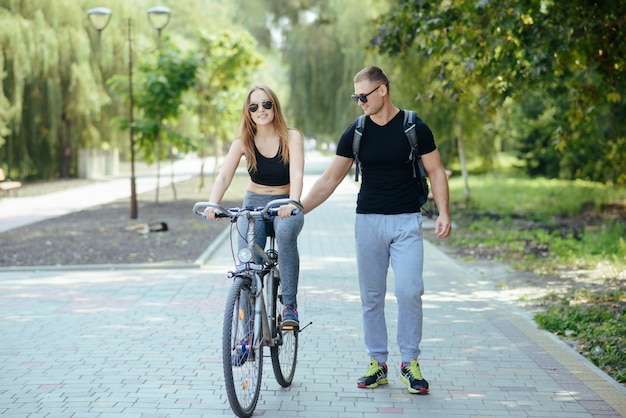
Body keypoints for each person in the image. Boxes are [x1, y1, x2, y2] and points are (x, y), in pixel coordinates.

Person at [301, 66, 452, 394]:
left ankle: (409, 362)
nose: (359, 102)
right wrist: (298, 208)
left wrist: (443, 212)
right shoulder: (356, 132)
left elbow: (436, 171)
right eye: (355, 97)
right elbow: (329, 179)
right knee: (371, 296)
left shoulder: (414, 126)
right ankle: (377, 362)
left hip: (406, 221)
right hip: (368, 221)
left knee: (410, 290)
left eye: (364, 96)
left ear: (382, 90)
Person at [204, 85, 305, 326]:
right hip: (254, 203)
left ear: (275, 106)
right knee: (247, 264)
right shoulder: (242, 142)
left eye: (266, 104)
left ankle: (289, 305)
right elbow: (224, 177)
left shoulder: (292, 137)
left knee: (286, 232)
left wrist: (293, 203)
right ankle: (247, 335)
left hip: (284, 202)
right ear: (248, 113)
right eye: (254, 107)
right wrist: (212, 204)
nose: (261, 110)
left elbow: (298, 175)